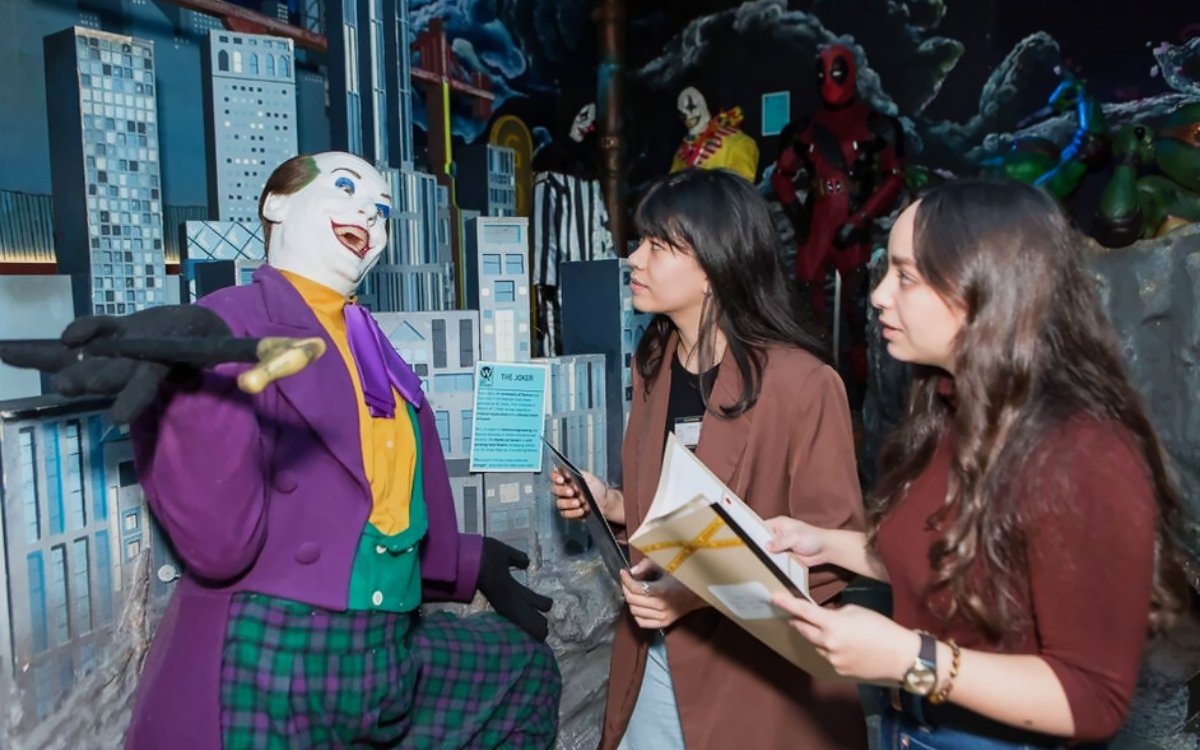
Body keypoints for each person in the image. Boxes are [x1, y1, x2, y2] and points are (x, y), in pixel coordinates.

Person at [2, 152, 561, 749]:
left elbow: (372, 499)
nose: (368, 215)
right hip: (276, 652)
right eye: (345, 189)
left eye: (382, 211)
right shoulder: (224, 327)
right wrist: (193, 394)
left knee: (524, 674)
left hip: (385, 649)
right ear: (277, 204)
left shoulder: (372, 343)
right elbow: (220, 544)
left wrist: (463, 561)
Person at [767, 177, 1195, 749]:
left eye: (907, 276)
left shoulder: (1084, 454)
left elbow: (1091, 697)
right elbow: (960, 558)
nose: (878, 296)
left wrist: (909, 658)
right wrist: (828, 544)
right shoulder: (951, 410)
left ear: (987, 290)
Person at [553, 167, 868, 749]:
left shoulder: (803, 386)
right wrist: (612, 504)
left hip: (756, 679)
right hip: (653, 660)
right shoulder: (653, 367)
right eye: (638, 242)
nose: (633, 260)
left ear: (713, 265)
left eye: (657, 245)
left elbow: (831, 560)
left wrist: (695, 595)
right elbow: (670, 516)